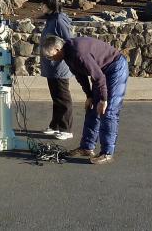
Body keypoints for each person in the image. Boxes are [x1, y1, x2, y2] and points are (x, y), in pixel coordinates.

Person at [40, 35, 128, 165]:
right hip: (101, 71)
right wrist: (89, 96)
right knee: (92, 108)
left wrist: (103, 99)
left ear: (58, 49)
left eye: (50, 56)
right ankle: (87, 147)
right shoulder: (67, 55)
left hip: (115, 68)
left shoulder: (79, 53)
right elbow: (80, 75)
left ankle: (107, 153)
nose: (50, 60)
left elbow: (99, 78)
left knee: (107, 111)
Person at [39, 0, 74, 141]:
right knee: (56, 98)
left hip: (59, 66)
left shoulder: (59, 20)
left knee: (63, 97)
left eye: (43, 3)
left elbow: (68, 41)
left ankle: (66, 128)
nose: (41, 6)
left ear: (50, 4)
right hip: (51, 65)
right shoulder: (51, 19)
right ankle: (55, 125)